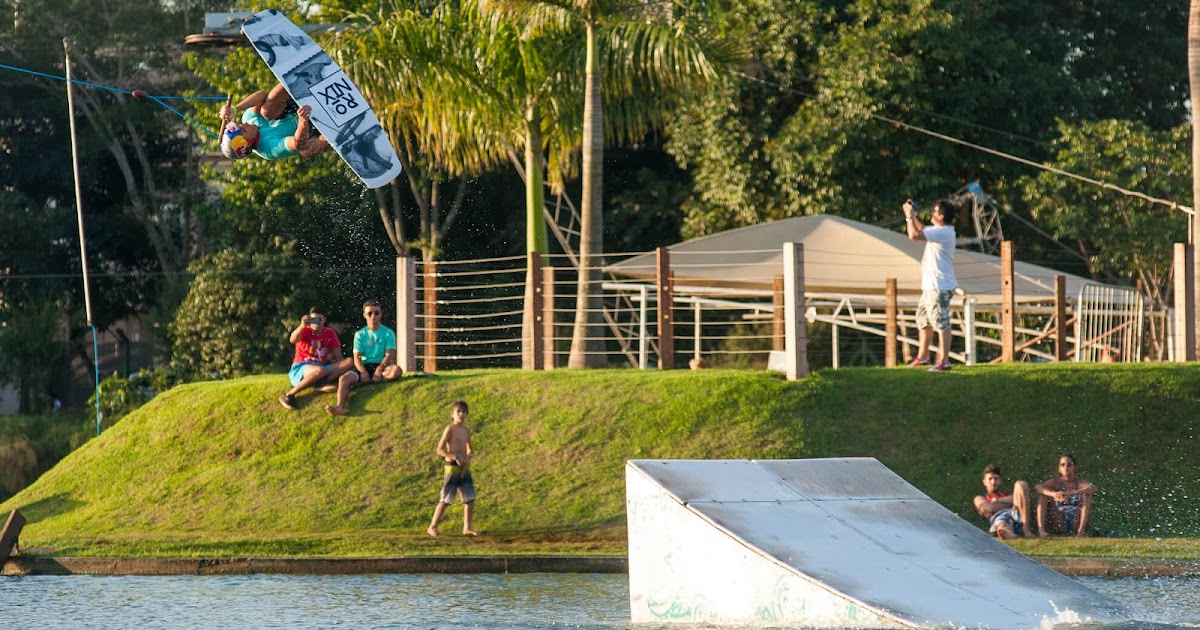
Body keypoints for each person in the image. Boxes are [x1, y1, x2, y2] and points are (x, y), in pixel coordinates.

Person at [903, 198, 958, 372]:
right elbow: (922, 229)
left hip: (939, 286)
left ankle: (944, 361)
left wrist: (908, 217)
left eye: (935, 211)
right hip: (930, 286)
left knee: (940, 322)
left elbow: (913, 235)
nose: (932, 214)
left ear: (941, 216)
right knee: (923, 319)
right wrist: (913, 216)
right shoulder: (939, 230)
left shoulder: (944, 232)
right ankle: (923, 357)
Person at [325, 299, 402, 416]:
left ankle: (369, 382)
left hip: (382, 366)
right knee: (344, 379)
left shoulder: (388, 333)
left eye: (376, 313)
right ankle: (340, 406)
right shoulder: (360, 334)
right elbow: (357, 357)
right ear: (364, 315)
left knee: (396, 371)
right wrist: (363, 372)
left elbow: (390, 354)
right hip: (364, 366)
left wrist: (380, 368)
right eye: (370, 313)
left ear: (381, 314)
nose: (373, 316)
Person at [218, 84, 330, 161]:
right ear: (248, 143)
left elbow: (262, 95)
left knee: (266, 111)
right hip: (310, 130)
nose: (244, 124)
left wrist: (235, 109)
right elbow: (298, 143)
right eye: (242, 130)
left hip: (295, 107)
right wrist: (303, 122)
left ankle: (293, 80)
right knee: (305, 151)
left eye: (239, 125)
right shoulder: (268, 150)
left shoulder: (248, 119)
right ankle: (340, 134)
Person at [279, 307, 354, 410]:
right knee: (319, 370)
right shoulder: (304, 330)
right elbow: (292, 339)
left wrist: (343, 370)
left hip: (322, 366)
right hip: (302, 366)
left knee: (349, 361)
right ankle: (289, 395)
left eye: (319, 319)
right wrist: (301, 326)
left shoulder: (329, 333)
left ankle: (322, 383)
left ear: (324, 320)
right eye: (313, 320)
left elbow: (339, 357)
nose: (316, 323)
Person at [428, 400, 478, 537]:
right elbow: (440, 450)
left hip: (464, 467)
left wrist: (468, 457)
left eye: (464, 412)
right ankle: (432, 526)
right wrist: (455, 457)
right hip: (452, 467)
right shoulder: (449, 429)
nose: (461, 414)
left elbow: (469, 448)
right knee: (446, 498)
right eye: (459, 412)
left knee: (469, 498)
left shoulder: (466, 430)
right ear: (453, 414)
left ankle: (467, 527)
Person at [1035, 454, 1097, 537]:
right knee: (1043, 496)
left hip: (1075, 521)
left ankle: (1080, 532)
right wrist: (1053, 494)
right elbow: (1038, 487)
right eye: (1062, 465)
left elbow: (1092, 489)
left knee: (1087, 496)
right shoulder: (1055, 482)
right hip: (1058, 521)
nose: (1066, 467)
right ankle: (1041, 530)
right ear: (1059, 469)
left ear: (1075, 467)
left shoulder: (1079, 483)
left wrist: (1070, 493)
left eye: (1069, 465)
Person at [973, 464, 1034, 539]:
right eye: (990, 479)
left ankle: (1026, 529)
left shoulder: (1006, 495)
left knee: (1021, 484)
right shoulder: (980, 498)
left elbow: (1026, 498)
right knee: (1001, 523)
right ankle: (1008, 533)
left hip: (1017, 516)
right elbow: (990, 508)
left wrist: (997, 500)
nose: (993, 482)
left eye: (996, 479)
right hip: (1000, 518)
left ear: (1000, 480)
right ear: (984, 482)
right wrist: (1012, 502)